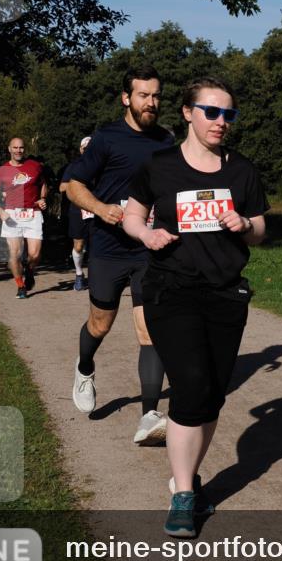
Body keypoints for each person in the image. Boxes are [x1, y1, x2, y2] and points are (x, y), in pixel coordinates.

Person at [124, 76, 268, 538]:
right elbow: (131, 212)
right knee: (191, 384)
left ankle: (188, 474)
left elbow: (260, 230)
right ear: (188, 113)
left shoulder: (241, 170)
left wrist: (244, 222)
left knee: (211, 395)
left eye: (229, 114)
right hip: (171, 288)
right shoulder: (159, 165)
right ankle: (183, 493)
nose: (221, 122)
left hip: (226, 293)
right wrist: (146, 234)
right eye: (211, 112)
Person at [65, 65, 174, 445]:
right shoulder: (106, 138)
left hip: (148, 249)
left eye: (156, 95)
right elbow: (74, 185)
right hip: (109, 248)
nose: (152, 102)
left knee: (150, 329)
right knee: (100, 323)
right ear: (126, 98)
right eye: (144, 95)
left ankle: (149, 415)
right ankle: (84, 367)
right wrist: (99, 208)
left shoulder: (166, 140)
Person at [0, 138, 47, 298]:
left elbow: (43, 184)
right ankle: (20, 286)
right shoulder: (2, 171)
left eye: (21, 148)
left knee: (34, 254)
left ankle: (29, 269)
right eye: (15, 148)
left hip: (33, 213)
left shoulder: (35, 166)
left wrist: (42, 199)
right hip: (12, 215)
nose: (18, 150)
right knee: (14, 254)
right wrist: (0, 211)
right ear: (9, 149)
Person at [59, 136, 93, 291]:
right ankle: (79, 274)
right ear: (81, 150)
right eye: (85, 148)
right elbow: (62, 188)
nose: (87, 151)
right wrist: (79, 185)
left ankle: (97, 276)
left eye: (90, 148)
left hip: (98, 209)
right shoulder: (74, 166)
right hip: (78, 210)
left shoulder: (104, 165)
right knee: (78, 245)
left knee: (98, 245)